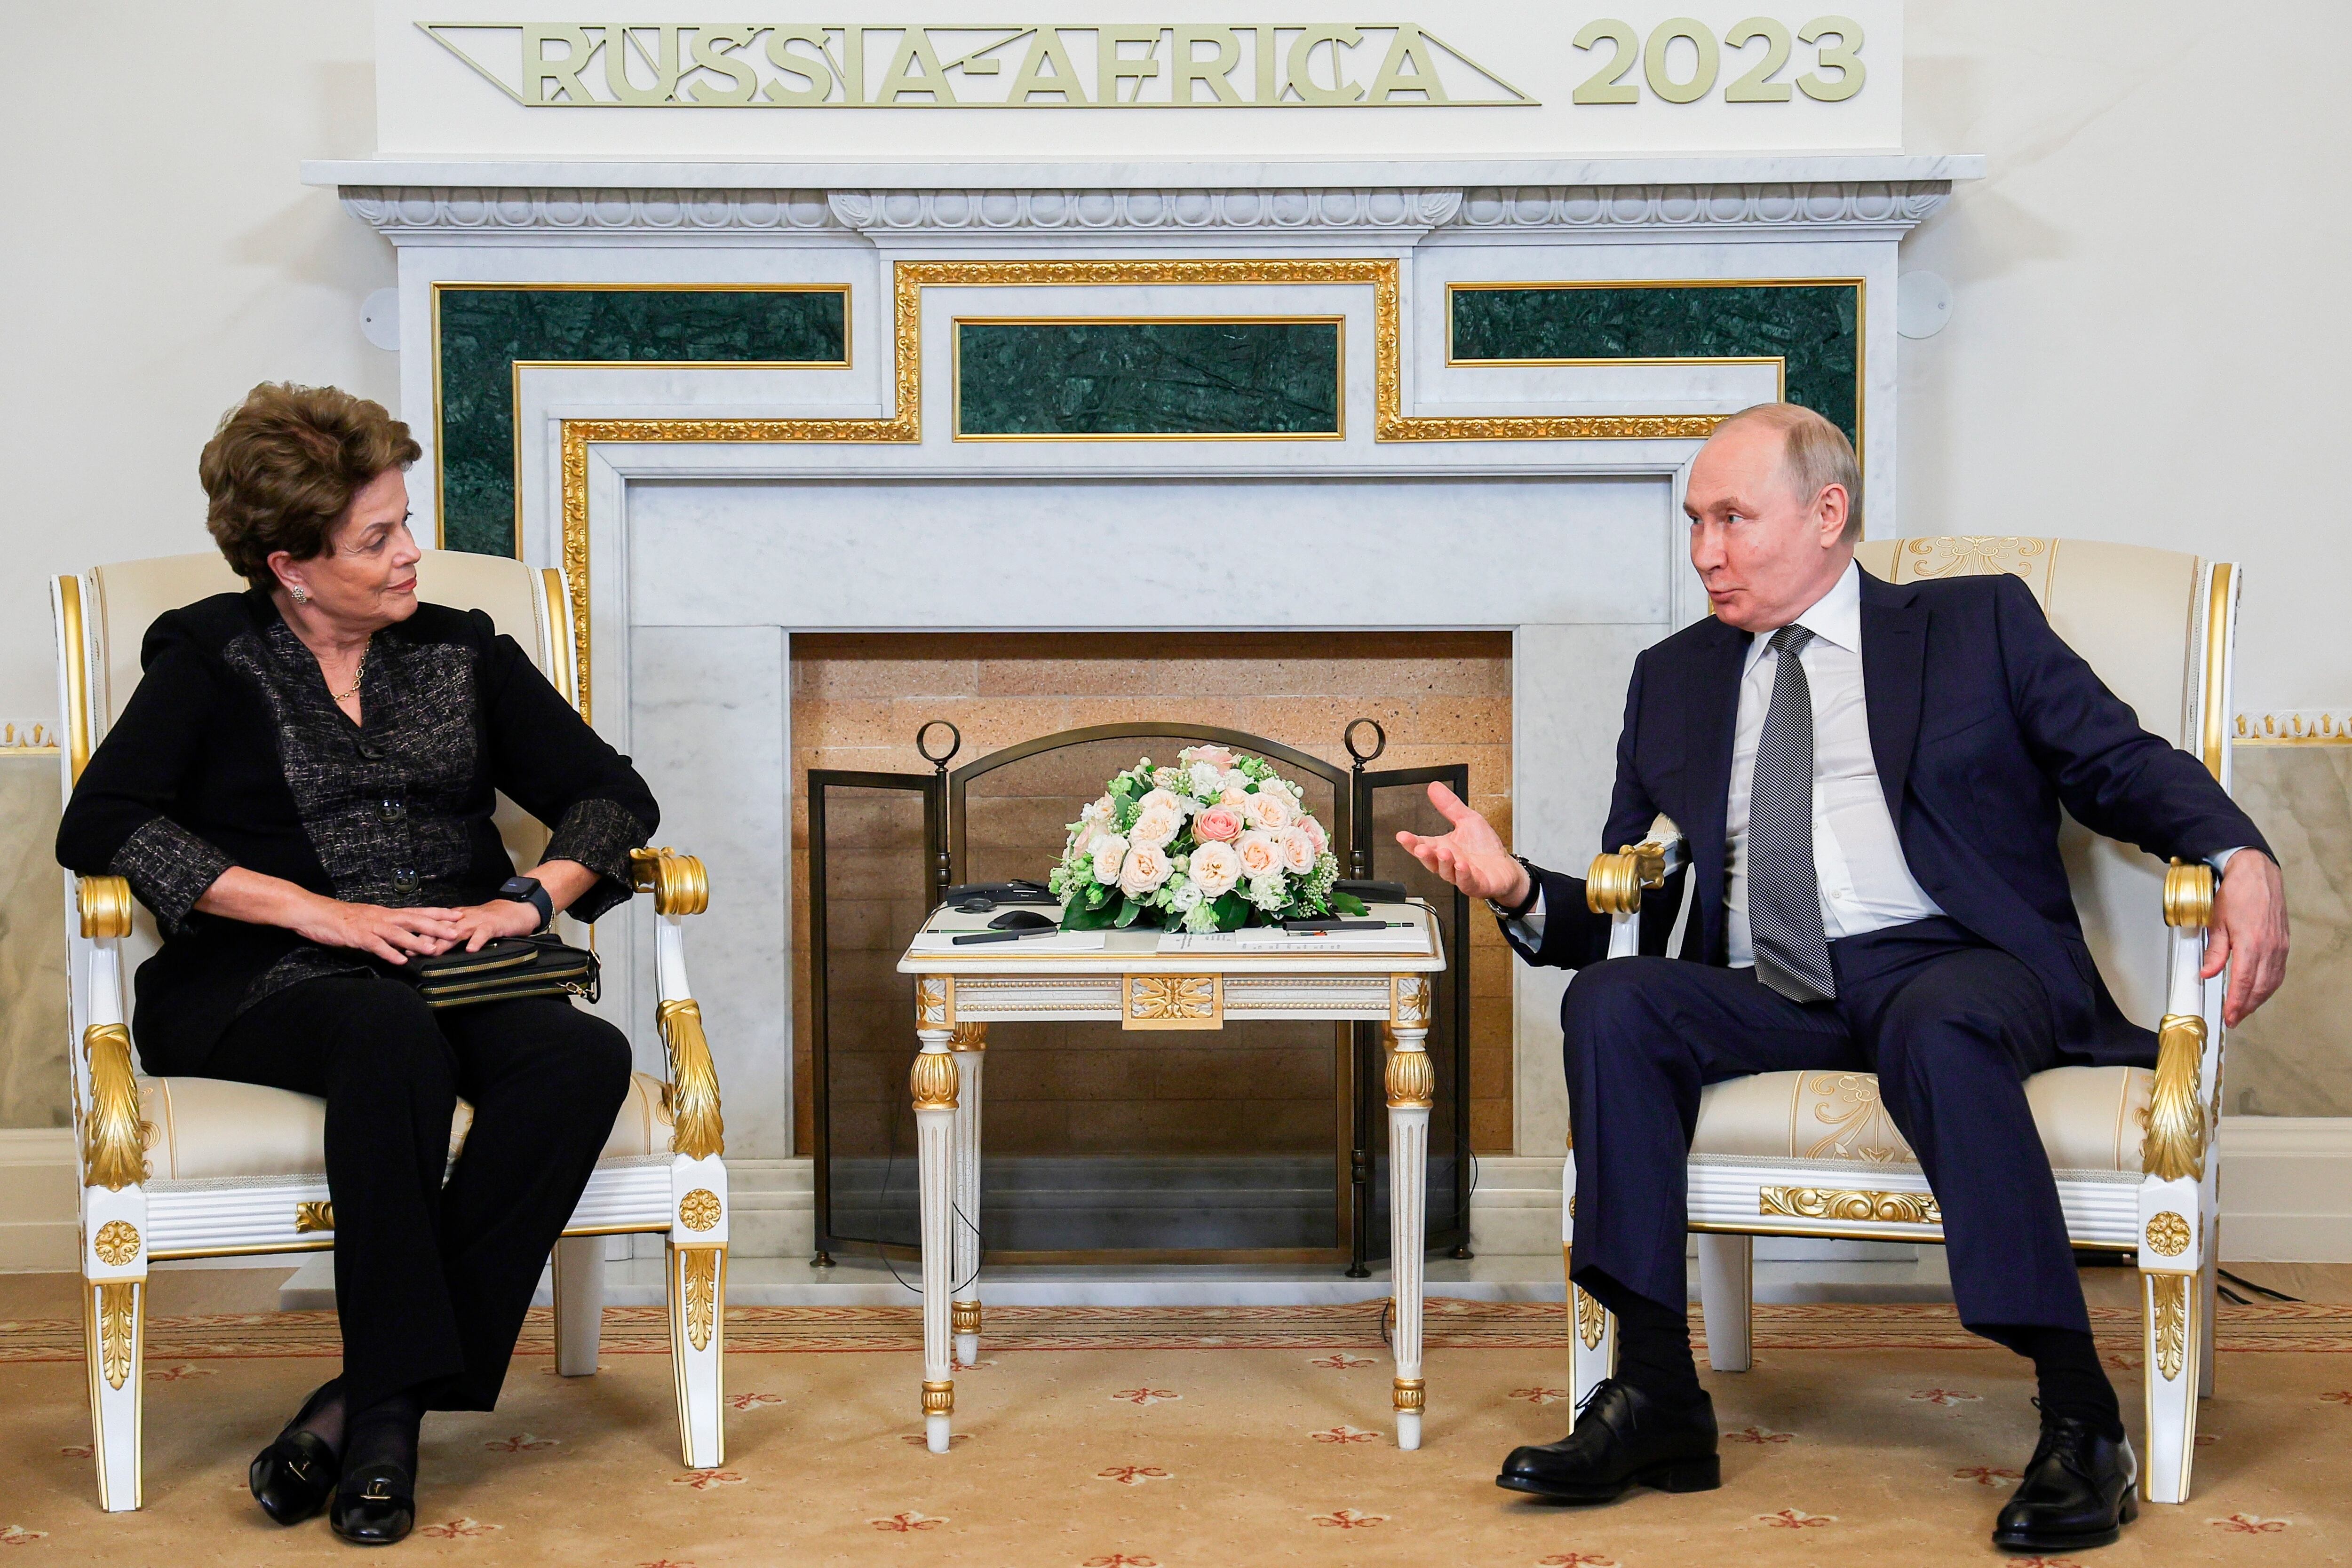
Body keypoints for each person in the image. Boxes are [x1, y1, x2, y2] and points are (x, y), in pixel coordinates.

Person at [1398, 403, 2288, 1555]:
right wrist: (1520, 887)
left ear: (1828, 513)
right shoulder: (1672, 677)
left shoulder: (1975, 625)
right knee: (1611, 1000)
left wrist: (2238, 852)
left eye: (1732, 518)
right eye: (1694, 522)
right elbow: (1637, 910)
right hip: (1770, 985)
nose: (1704, 551)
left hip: (1952, 962)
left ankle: (2080, 1417)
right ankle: (1656, 1394)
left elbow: (2116, 764)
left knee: (1937, 1026)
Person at [56, 383, 660, 1546]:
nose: (410, 553)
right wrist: (318, 913)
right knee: (388, 1037)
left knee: (581, 1059)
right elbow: (104, 823)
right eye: (376, 538)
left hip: (451, 959)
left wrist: (529, 898)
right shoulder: (210, 655)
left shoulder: (460, 647)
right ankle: (385, 1427)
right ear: (290, 565)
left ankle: (365, 1400)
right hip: (265, 976)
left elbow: (610, 793)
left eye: (404, 522)